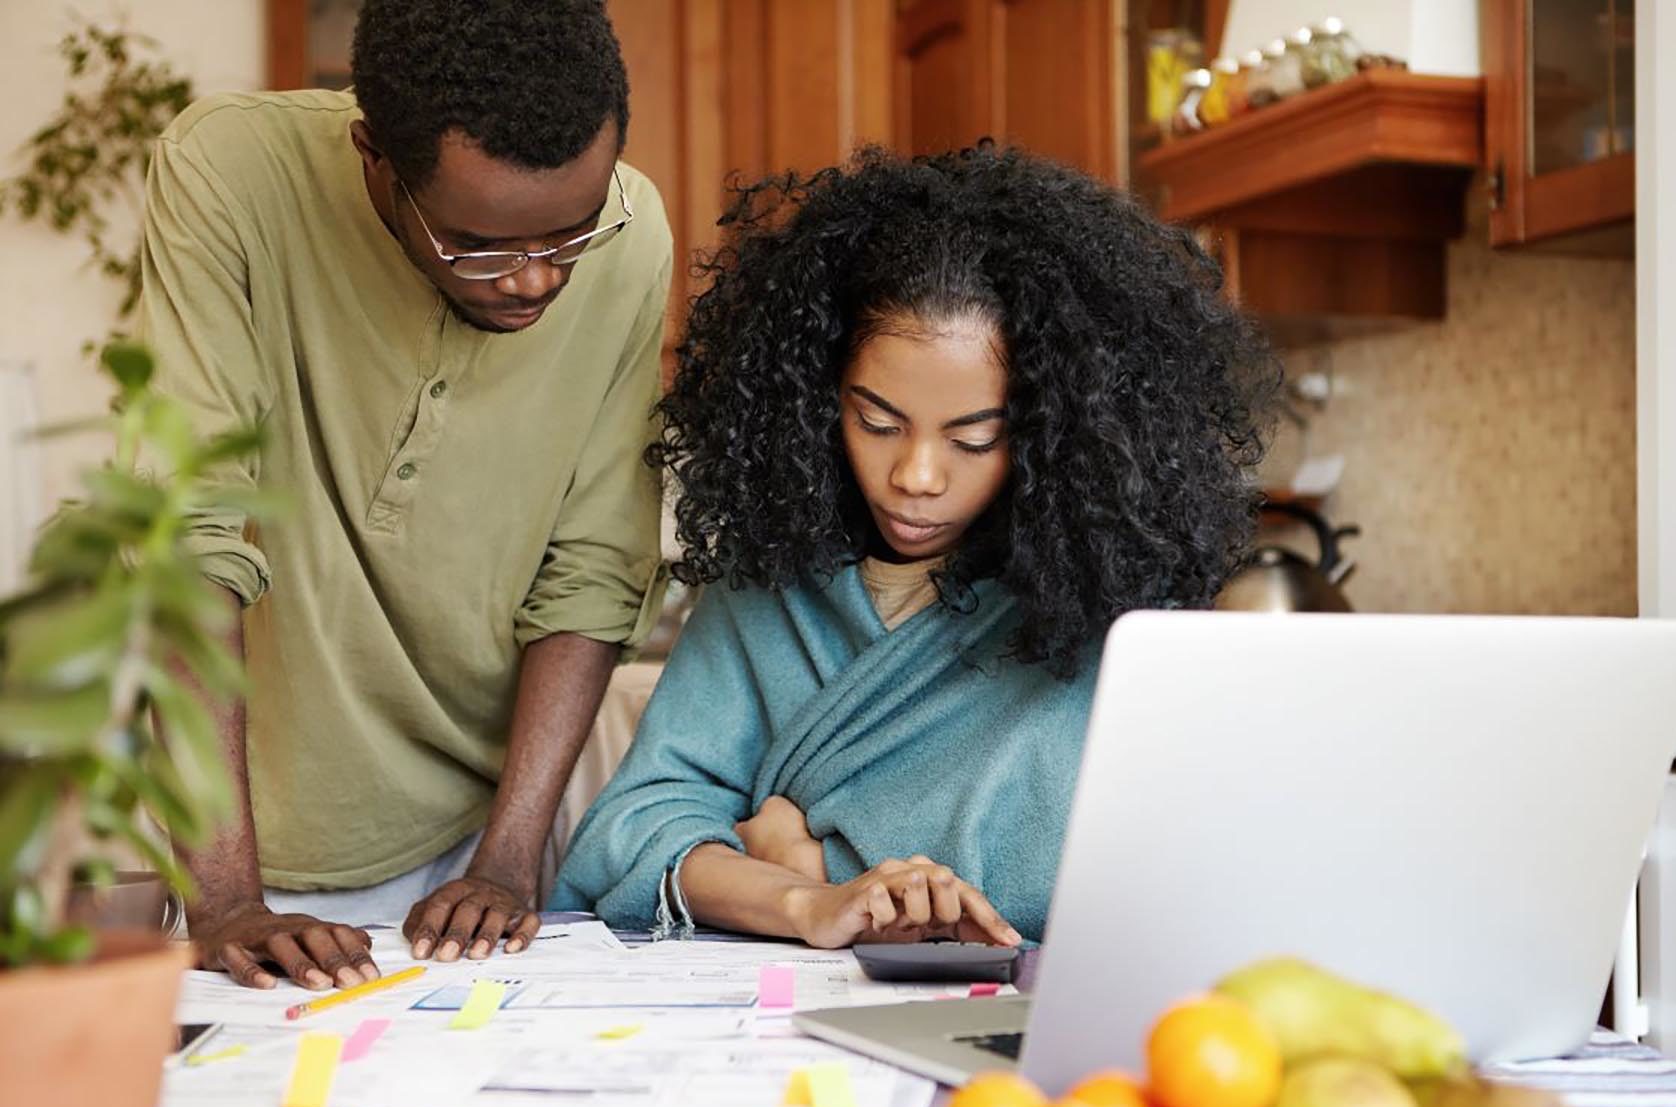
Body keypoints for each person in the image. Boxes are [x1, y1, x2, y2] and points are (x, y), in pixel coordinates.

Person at [550, 144, 1278, 945]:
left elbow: (1115, 864)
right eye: (877, 422)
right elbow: (632, 826)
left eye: (973, 439)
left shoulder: (1105, 603)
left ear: (1051, 434)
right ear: (816, 400)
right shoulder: (770, 580)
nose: (917, 476)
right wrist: (799, 899)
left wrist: (813, 855)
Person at [139, 0, 671, 990]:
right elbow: (187, 532)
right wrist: (223, 899)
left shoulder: (633, 241)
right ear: (373, 156)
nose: (533, 282)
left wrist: (509, 863)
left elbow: (595, 567)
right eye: (478, 244)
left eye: (570, 234)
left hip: (480, 846)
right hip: (241, 841)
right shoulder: (231, 173)